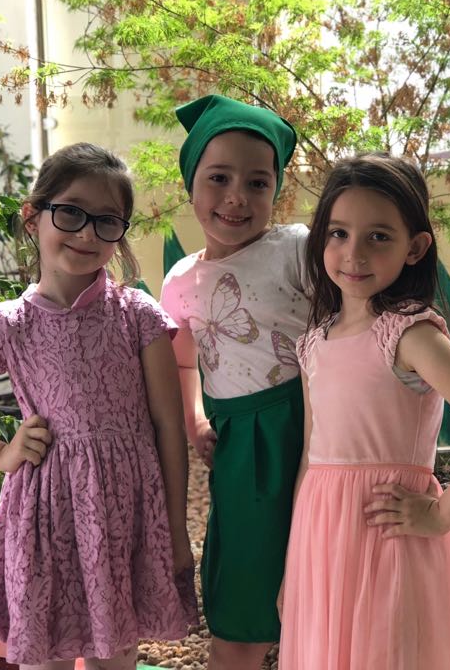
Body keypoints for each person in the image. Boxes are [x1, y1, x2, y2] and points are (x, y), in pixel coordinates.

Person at [0, 143, 197, 670]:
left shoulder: (138, 315)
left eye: (107, 221)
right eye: (71, 212)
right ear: (34, 217)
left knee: (114, 656)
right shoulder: (11, 324)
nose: (87, 234)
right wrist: (2, 453)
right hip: (45, 518)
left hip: (123, 518)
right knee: (44, 654)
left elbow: (168, 426)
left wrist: (175, 528)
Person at [277, 154, 450, 669]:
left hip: (388, 532)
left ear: (415, 247)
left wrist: (443, 515)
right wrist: (294, 564)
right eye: (339, 233)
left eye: (378, 236)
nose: (354, 253)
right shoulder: (313, 343)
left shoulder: (410, 334)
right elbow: (311, 453)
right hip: (321, 538)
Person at [159, 94, 308, 669]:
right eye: (218, 178)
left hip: (313, 425)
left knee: (320, 568)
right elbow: (184, 361)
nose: (236, 197)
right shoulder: (181, 280)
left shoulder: (297, 249)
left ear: (276, 191)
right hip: (240, 441)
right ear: (190, 185)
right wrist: (195, 417)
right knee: (244, 579)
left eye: (257, 182)